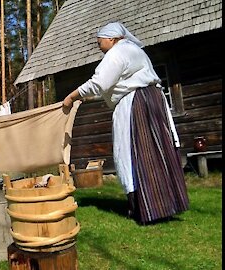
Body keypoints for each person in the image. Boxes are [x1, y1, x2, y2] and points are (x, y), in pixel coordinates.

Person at [62, 22, 189, 225]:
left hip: (136, 104)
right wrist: (88, 98)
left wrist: (71, 96)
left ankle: (145, 208)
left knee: (136, 152)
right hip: (152, 99)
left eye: (100, 40)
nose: (98, 44)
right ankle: (166, 204)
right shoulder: (134, 50)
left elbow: (99, 83)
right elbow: (117, 84)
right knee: (157, 150)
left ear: (111, 39)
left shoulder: (116, 54)